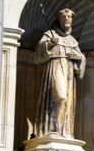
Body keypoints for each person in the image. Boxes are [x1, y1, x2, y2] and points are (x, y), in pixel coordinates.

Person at [34, 8, 86, 139]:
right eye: (64, 17)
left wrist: (78, 57)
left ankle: (65, 131)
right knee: (58, 96)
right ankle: (50, 128)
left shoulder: (73, 40)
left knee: (66, 100)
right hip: (55, 66)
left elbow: (81, 58)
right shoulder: (49, 34)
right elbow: (39, 54)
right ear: (59, 19)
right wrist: (50, 44)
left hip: (69, 71)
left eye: (69, 17)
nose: (67, 19)